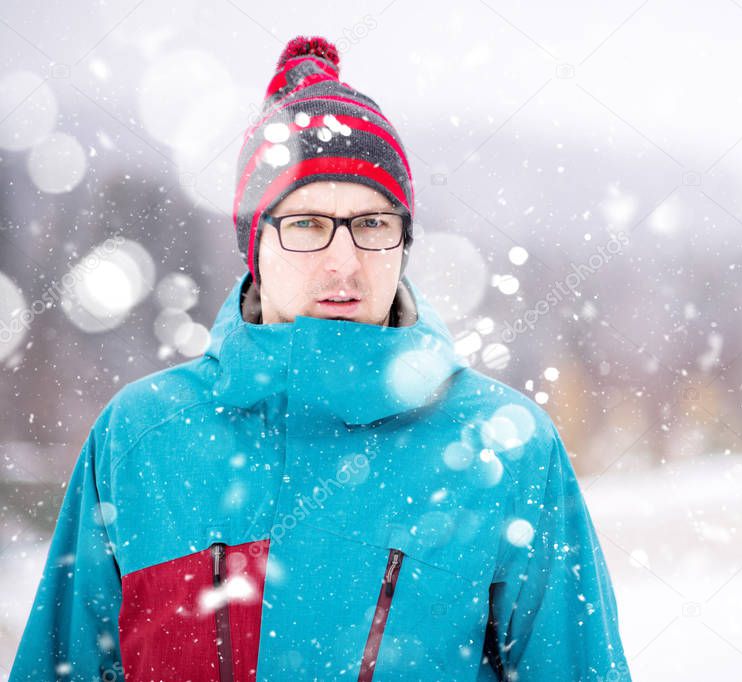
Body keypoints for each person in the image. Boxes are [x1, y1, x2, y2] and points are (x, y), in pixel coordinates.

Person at [11, 35, 631, 681]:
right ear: (255, 243)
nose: (344, 260)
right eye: (306, 223)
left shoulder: (501, 446)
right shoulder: (141, 437)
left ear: (403, 240)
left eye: (372, 223)